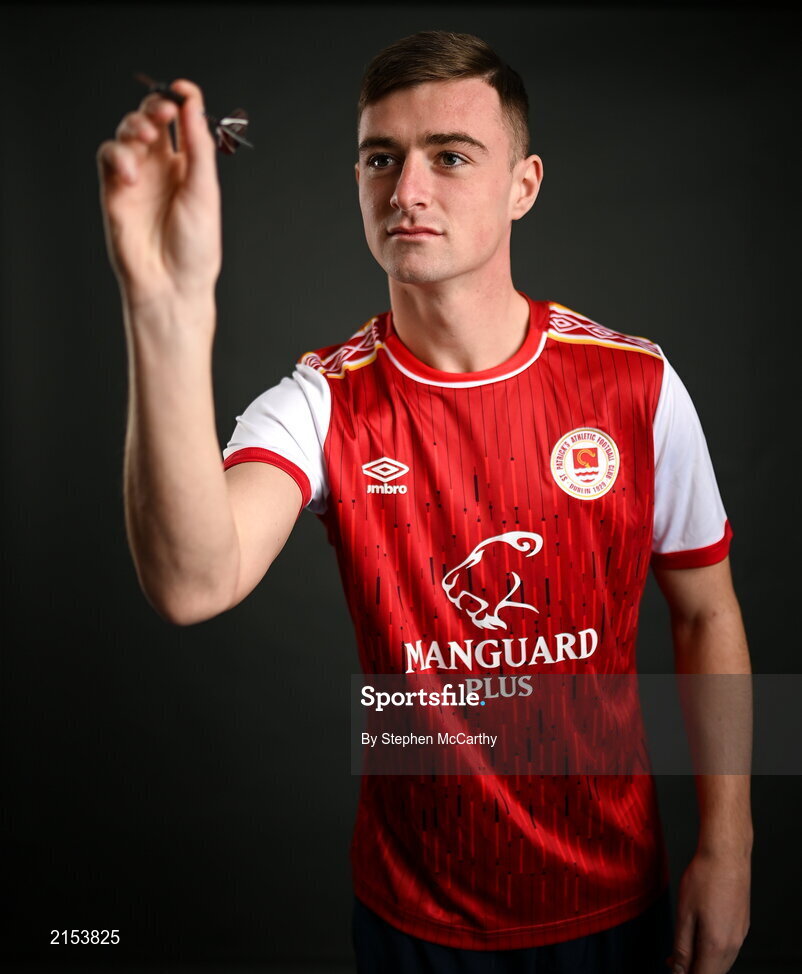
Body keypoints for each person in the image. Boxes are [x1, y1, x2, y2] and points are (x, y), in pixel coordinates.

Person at [97, 29, 752, 974]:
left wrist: (730, 846)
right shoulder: (320, 400)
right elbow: (192, 583)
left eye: (450, 157)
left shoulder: (636, 386)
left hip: (615, 898)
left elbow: (709, 610)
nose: (407, 190)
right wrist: (166, 307)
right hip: (414, 918)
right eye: (380, 158)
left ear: (523, 185)